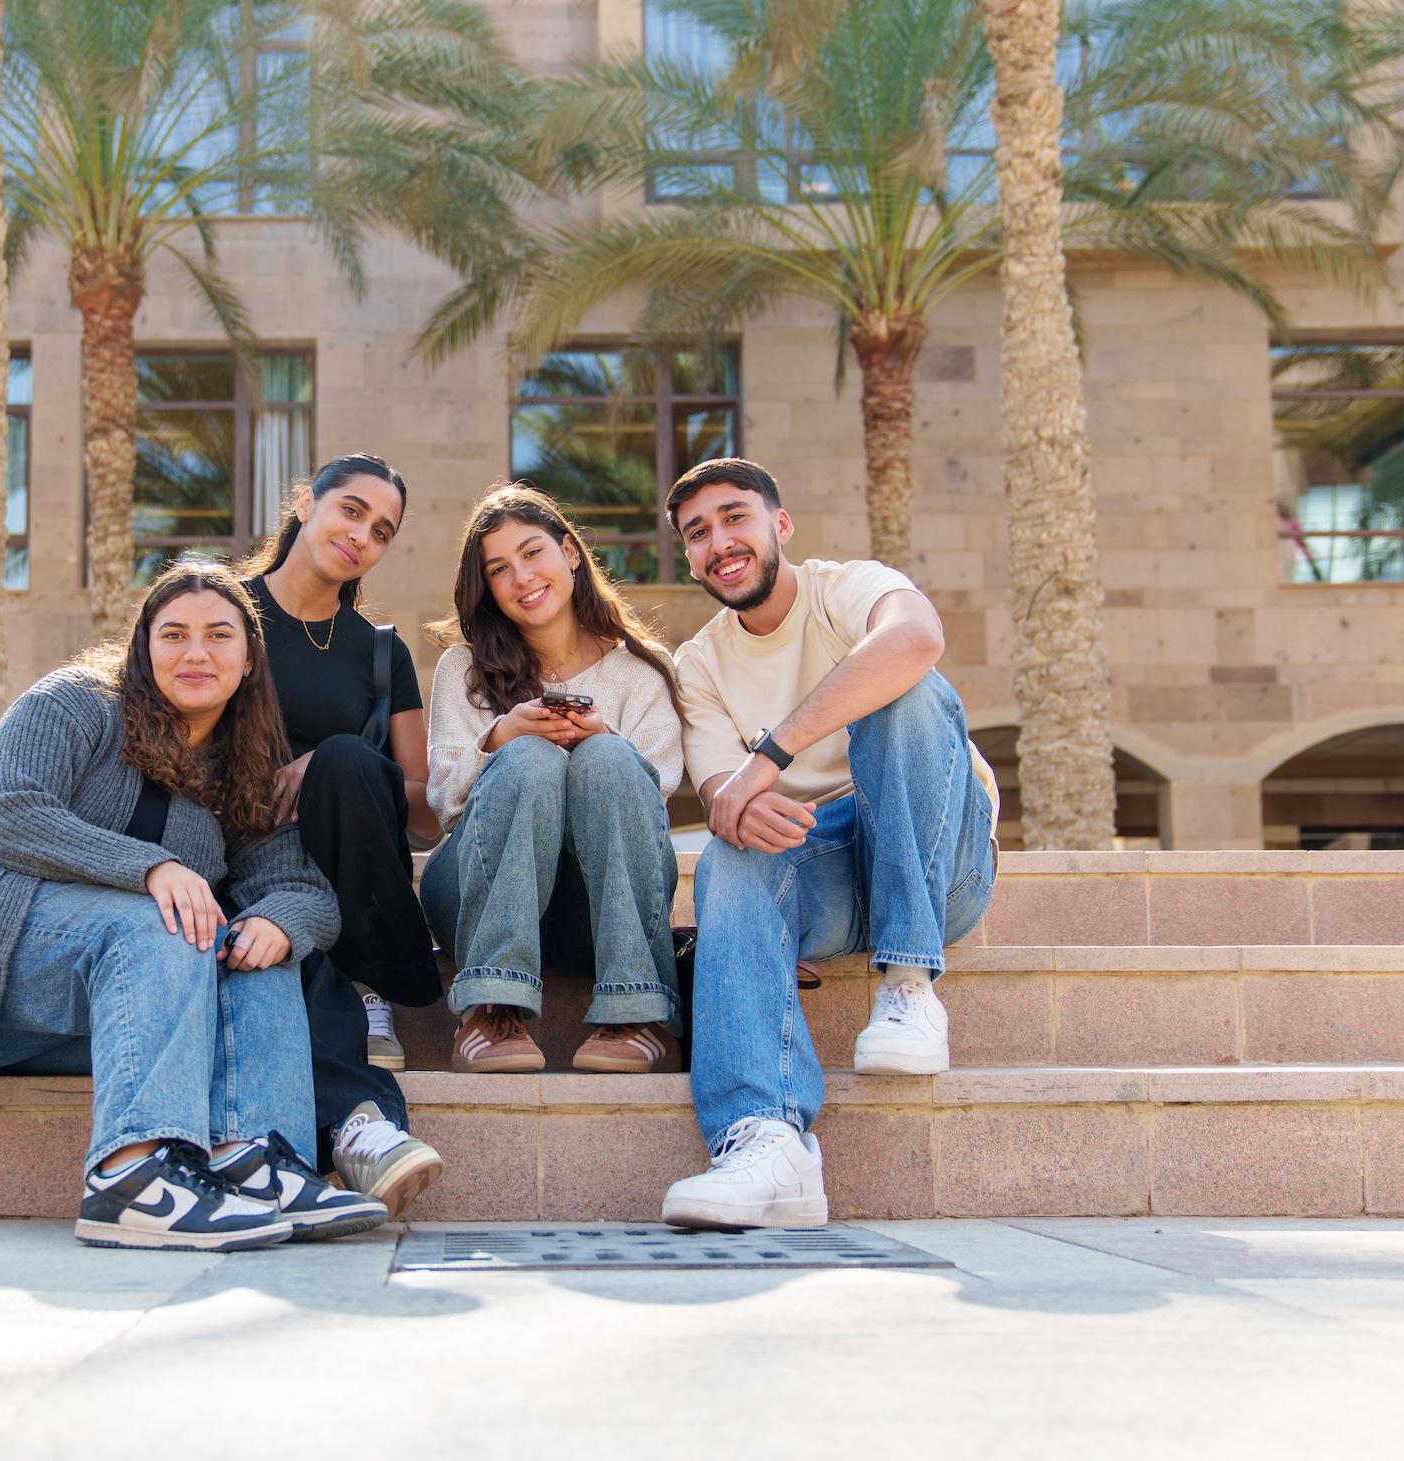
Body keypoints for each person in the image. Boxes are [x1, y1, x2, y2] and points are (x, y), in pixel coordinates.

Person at [0, 561, 386, 1252]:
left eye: (217, 635)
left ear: (250, 655)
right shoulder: (78, 700)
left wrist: (279, 922)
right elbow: (9, 815)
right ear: (143, 646)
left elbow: (304, 890)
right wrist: (153, 866)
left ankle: (255, 1157)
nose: (195, 652)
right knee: (165, 921)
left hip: (102, 996)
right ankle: (131, 1177)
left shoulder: (242, 765)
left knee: (248, 939)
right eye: (172, 634)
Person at [656, 458, 999, 1231]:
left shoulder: (846, 586)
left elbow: (916, 637)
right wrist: (741, 811)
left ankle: (909, 985)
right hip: (829, 868)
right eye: (697, 533)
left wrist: (771, 755)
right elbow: (721, 796)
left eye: (735, 517)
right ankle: (768, 1141)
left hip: (944, 861)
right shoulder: (699, 663)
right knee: (732, 853)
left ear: (780, 525)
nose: (720, 541)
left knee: (900, 686)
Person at [239, 451, 446, 1214]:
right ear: (307, 501)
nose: (362, 534)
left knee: (353, 761)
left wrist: (329, 758)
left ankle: (371, 987)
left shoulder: (381, 651)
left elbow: (421, 809)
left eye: (382, 529)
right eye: (351, 510)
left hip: (354, 856)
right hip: (248, 855)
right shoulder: (225, 615)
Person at [422, 484, 686, 1074]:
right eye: (499, 569)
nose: (521, 577)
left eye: (532, 552)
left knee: (611, 760)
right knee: (530, 758)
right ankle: (492, 1006)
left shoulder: (645, 671)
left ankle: (632, 1009)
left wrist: (601, 740)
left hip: (596, 905)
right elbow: (444, 798)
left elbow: (657, 790)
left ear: (570, 552)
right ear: (486, 587)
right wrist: (501, 738)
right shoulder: (462, 667)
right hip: (476, 892)